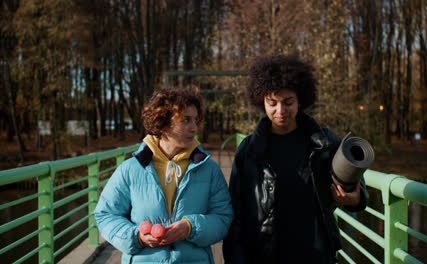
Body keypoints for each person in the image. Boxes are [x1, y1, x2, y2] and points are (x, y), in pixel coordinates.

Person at [222, 54, 368, 264]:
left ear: (300, 100)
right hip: (265, 256)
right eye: (272, 103)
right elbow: (235, 213)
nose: (280, 111)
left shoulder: (325, 142)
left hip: (316, 256)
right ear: (261, 101)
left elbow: (357, 188)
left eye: (288, 102)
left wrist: (355, 198)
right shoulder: (248, 151)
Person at [94, 87, 233, 264]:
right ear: (164, 122)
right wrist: (137, 237)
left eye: (196, 120)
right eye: (186, 120)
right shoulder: (130, 169)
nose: (194, 128)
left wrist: (190, 227)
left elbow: (223, 217)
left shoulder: (209, 169)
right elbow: (106, 215)